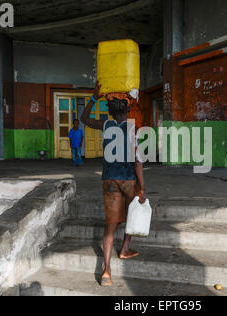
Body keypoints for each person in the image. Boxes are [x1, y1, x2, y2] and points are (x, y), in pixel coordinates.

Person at [81, 82, 146, 287]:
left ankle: (106, 271)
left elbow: (84, 119)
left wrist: (94, 97)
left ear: (109, 111)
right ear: (127, 109)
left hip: (109, 179)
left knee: (109, 225)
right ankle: (125, 248)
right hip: (128, 180)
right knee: (134, 213)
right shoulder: (133, 128)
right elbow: (138, 162)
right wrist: (142, 188)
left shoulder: (106, 125)